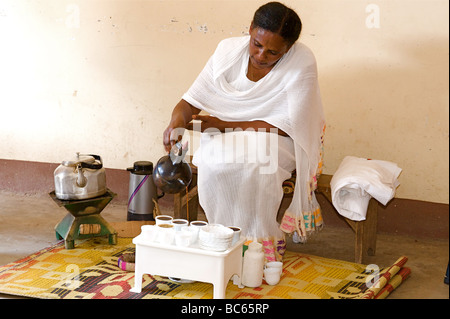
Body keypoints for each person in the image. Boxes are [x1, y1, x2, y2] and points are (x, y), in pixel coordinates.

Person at [163, 2, 325, 261]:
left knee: (257, 163)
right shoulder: (227, 52)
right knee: (214, 162)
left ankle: (258, 245)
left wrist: (223, 124)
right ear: (250, 29)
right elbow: (189, 102)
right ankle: (223, 240)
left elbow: (290, 125)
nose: (261, 56)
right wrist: (176, 123)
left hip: (280, 138)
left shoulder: (301, 61)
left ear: (289, 48)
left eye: (273, 52)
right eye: (257, 44)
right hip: (226, 134)